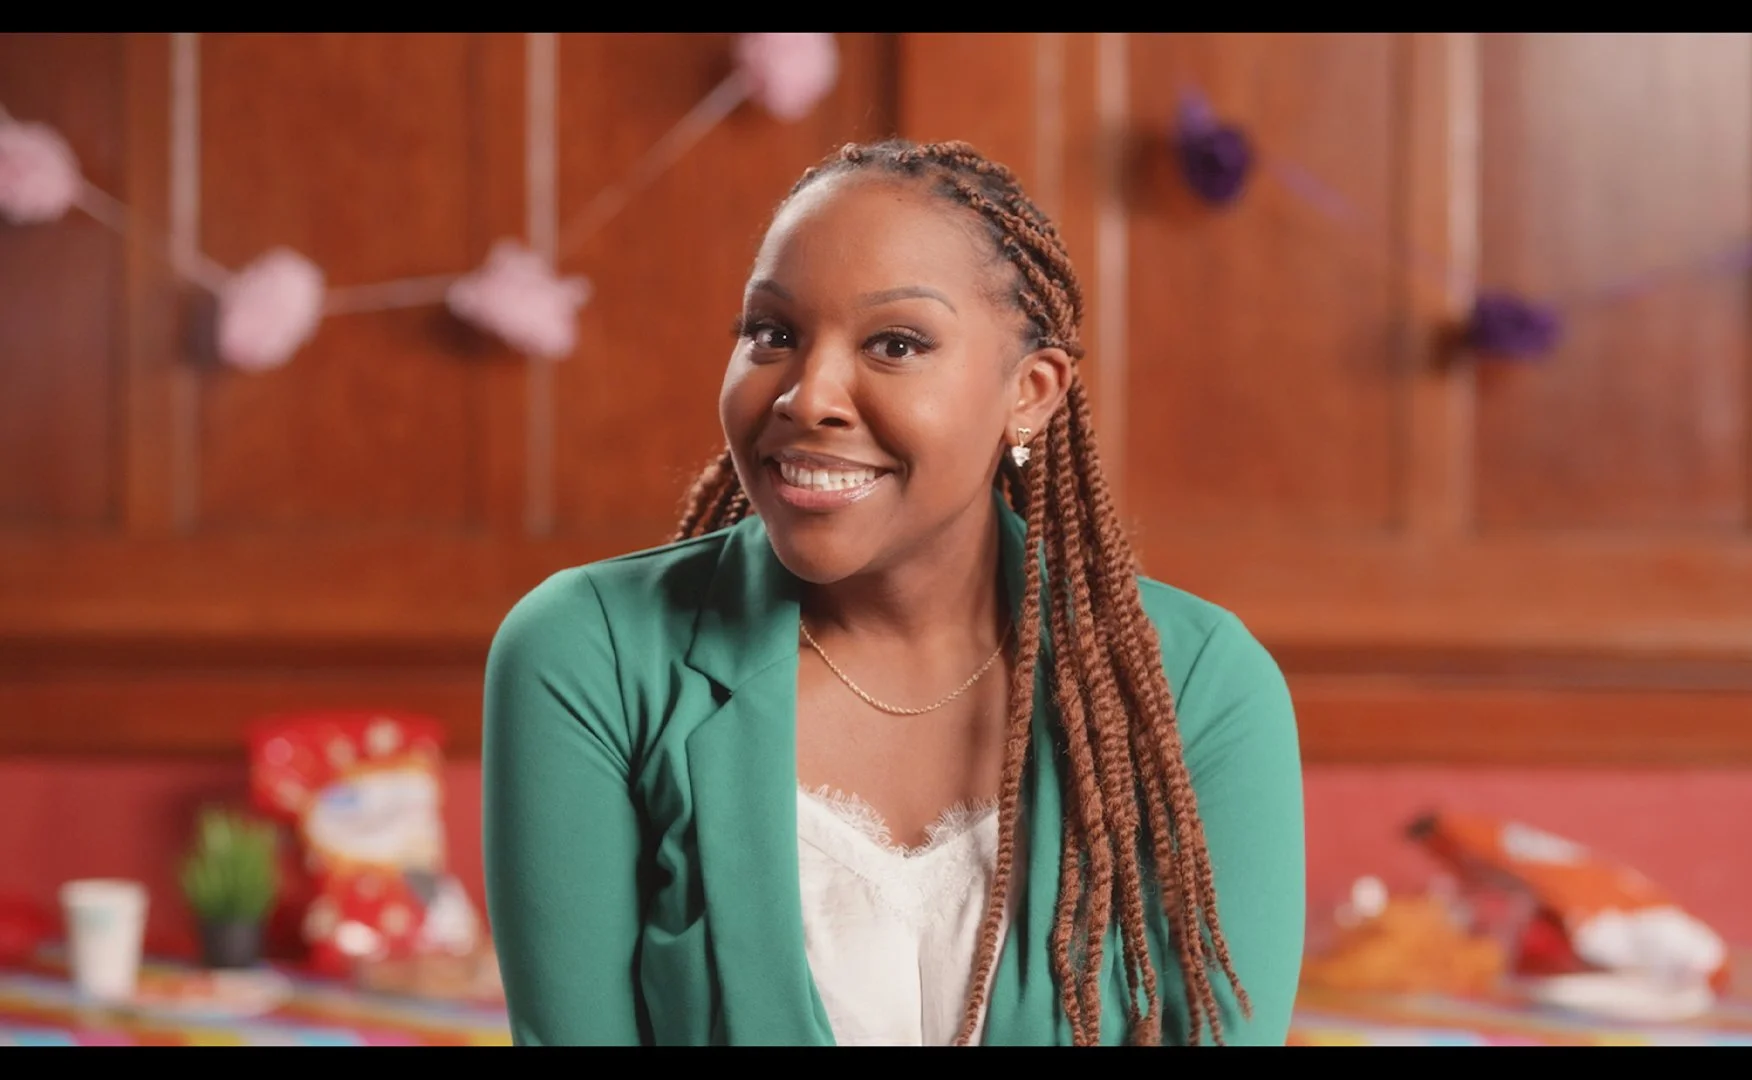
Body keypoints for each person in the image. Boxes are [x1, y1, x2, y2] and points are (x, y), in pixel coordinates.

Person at [482, 138, 1305, 1046]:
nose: (807, 395)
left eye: (896, 343)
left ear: (1030, 393)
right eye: (774, 334)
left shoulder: (1196, 687)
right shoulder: (589, 656)